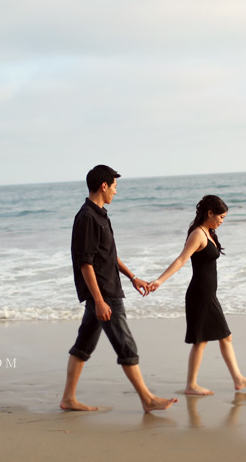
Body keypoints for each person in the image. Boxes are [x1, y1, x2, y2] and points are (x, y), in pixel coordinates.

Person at [60, 165, 177, 413]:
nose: (116, 191)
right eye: (114, 186)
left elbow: (109, 255)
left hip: (103, 292)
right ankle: (147, 399)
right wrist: (100, 301)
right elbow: (86, 263)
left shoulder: (99, 214)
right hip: (104, 295)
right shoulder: (87, 218)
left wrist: (133, 276)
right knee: (126, 345)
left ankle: (68, 399)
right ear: (104, 186)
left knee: (83, 346)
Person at [148, 195, 246, 395]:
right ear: (210, 213)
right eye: (221, 217)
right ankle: (194, 385)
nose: (222, 221)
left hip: (208, 294)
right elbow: (181, 260)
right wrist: (159, 280)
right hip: (200, 295)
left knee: (220, 338)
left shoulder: (208, 232)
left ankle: (237, 379)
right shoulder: (198, 235)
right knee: (209, 339)